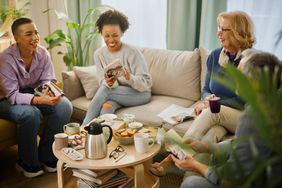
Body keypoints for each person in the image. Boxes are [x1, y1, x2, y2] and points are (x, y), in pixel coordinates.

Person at [150, 10, 255, 176]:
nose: (219, 33)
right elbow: (206, 88)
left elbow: (246, 100)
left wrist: (212, 104)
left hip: (243, 117)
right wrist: (207, 99)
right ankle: (192, 180)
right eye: (218, 28)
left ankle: (168, 160)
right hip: (219, 114)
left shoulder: (250, 60)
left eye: (224, 29)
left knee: (213, 112)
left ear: (237, 32)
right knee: (209, 138)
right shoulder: (215, 56)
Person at [171, 49, 282, 188]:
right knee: (214, 144)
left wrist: (195, 165)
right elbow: (241, 144)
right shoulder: (273, 103)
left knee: (190, 184)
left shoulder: (252, 117)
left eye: (238, 74)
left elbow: (229, 182)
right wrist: (205, 147)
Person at [0, 18, 73, 178]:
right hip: (5, 99)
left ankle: (47, 157)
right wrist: (39, 100)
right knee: (31, 113)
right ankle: (26, 163)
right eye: (28, 34)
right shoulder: (6, 58)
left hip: (32, 92)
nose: (35, 37)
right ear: (16, 38)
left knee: (64, 106)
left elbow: (48, 80)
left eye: (36, 32)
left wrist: (48, 90)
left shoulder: (43, 53)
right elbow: (12, 95)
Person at [82, 10, 152, 125]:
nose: (111, 40)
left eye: (115, 35)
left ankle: (84, 127)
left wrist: (129, 78)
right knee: (106, 107)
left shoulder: (132, 52)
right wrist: (109, 82)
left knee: (106, 90)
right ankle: (102, 139)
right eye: (107, 36)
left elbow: (146, 83)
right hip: (118, 94)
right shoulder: (99, 54)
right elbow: (102, 82)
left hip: (141, 93)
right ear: (101, 34)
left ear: (122, 33)